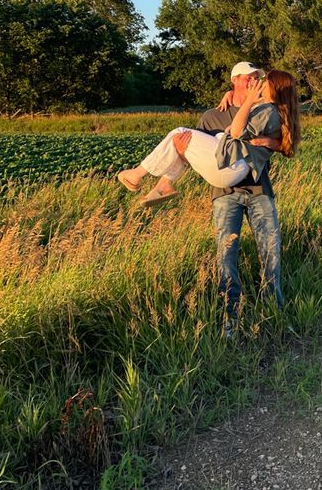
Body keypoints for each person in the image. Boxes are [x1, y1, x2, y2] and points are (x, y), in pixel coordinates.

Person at [119, 63, 300, 332]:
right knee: (225, 255)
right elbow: (203, 154)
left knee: (270, 251)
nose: (256, 81)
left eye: (259, 78)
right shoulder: (214, 114)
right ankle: (231, 317)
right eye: (251, 78)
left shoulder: (264, 108)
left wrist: (272, 140)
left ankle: (273, 312)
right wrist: (185, 147)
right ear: (235, 81)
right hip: (225, 192)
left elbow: (278, 138)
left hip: (258, 189)